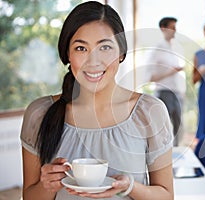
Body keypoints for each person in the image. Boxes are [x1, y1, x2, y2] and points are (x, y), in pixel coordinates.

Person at [20, 1, 174, 200]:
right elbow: (29, 196)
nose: (93, 62)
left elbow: (166, 196)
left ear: (121, 53)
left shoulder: (149, 112)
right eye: (81, 48)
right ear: (68, 54)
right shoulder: (39, 113)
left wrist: (130, 187)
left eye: (105, 47)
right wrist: (47, 185)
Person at [147, 17, 186, 146]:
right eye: (172, 27)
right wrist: (171, 71)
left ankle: (176, 156)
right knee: (163, 129)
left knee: (178, 128)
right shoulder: (157, 50)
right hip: (163, 93)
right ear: (163, 28)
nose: (175, 30)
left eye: (176, 27)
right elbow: (150, 77)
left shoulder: (176, 49)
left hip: (177, 94)